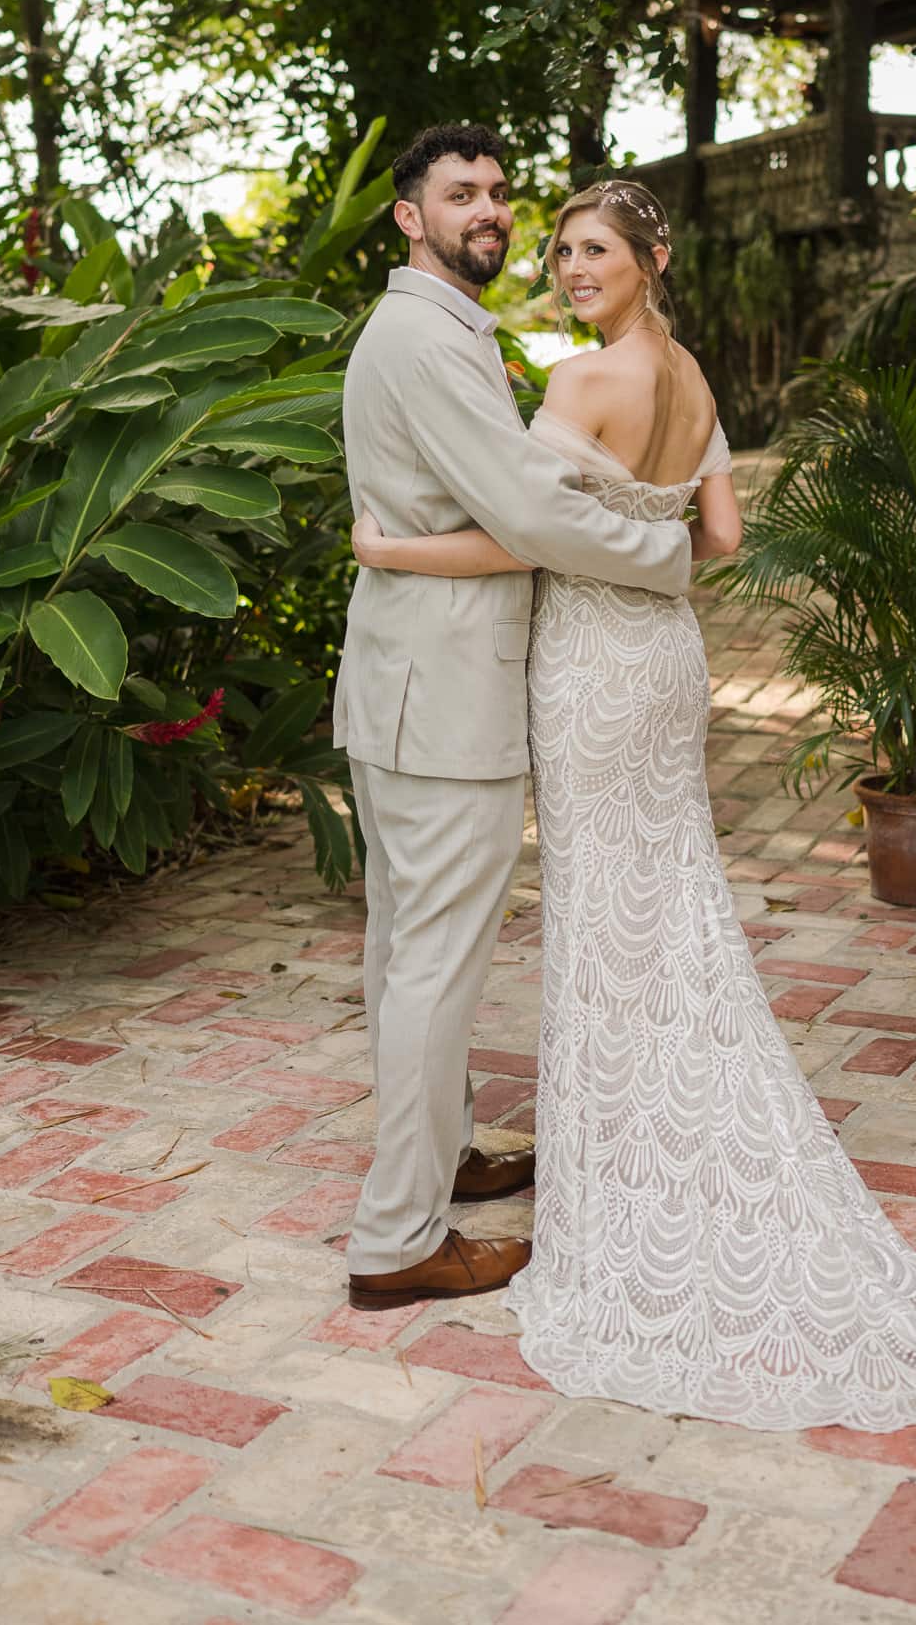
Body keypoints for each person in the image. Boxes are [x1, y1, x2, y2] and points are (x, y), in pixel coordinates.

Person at [350, 174, 916, 1430]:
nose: (571, 272)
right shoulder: (699, 383)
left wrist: (392, 549)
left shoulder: (578, 384)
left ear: (650, 257)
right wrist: (655, 539)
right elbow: (723, 536)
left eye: (591, 252)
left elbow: (526, 531)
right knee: (668, 892)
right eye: (562, 251)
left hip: (586, 666)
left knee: (600, 905)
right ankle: (664, 1109)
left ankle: (624, 1147)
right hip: (667, 661)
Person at [334, 126, 694, 1313]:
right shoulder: (429, 343)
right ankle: (398, 1241)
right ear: (408, 218)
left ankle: (439, 1156)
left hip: (406, 687)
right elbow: (533, 512)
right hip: (445, 702)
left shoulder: (439, 329)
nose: (487, 209)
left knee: (406, 954)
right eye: (459, 194)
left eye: (496, 192)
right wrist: (659, 552)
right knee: (434, 967)